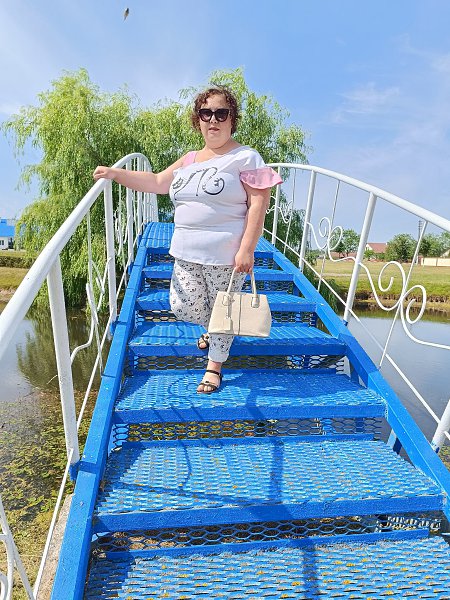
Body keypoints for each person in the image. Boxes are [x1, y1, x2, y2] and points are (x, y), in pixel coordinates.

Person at [93, 86, 282, 393]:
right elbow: (156, 182)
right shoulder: (190, 159)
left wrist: (247, 249)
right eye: (206, 113)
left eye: (221, 113)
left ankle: (214, 366)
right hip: (184, 252)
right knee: (182, 305)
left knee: (223, 310)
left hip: (225, 255)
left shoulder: (246, 157)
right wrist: (116, 174)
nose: (213, 120)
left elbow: (259, 205)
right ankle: (214, 332)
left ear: (232, 119)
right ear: (198, 120)